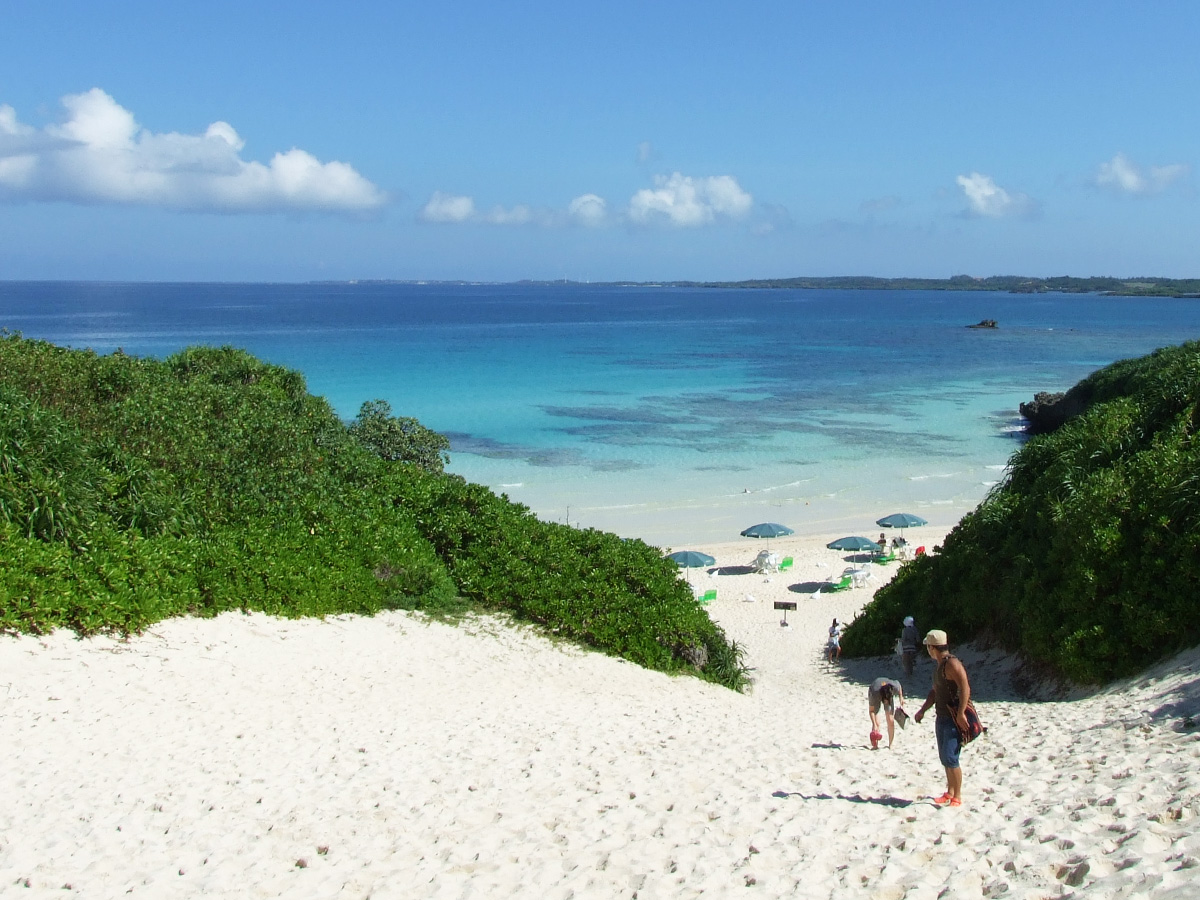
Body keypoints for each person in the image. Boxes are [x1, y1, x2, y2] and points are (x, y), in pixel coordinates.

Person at [913, 629, 972, 808]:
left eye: (928, 647)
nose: (927, 651)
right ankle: (950, 791)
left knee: (951, 757)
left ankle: (958, 795)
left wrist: (961, 712)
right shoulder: (940, 665)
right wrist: (923, 710)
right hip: (941, 717)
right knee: (945, 758)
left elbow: (965, 688)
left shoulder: (952, 664)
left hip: (953, 718)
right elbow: (935, 691)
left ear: (933, 647)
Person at [868, 677, 905, 749]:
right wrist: (874, 724)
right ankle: (875, 745)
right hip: (875, 691)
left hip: (887, 693)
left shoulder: (894, 687)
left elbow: (899, 685)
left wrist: (901, 697)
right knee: (877, 723)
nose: (886, 702)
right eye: (885, 701)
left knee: (890, 720)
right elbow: (871, 711)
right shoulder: (874, 693)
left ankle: (890, 744)